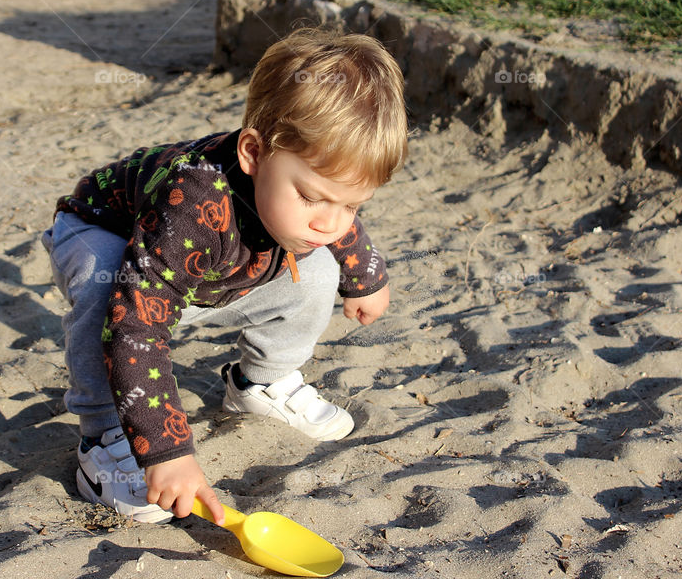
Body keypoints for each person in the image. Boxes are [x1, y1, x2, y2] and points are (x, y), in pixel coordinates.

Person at [41, 28, 408, 525]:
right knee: (108, 287)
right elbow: (137, 324)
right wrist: (165, 450)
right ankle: (106, 437)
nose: (331, 221)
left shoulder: (309, 199)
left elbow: (332, 213)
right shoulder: (193, 200)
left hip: (207, 268)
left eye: (352, 204)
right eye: (310, 196)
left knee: (317, 267)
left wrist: (365, 274)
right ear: (253, 153)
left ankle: (260, 383)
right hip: (105, 234)